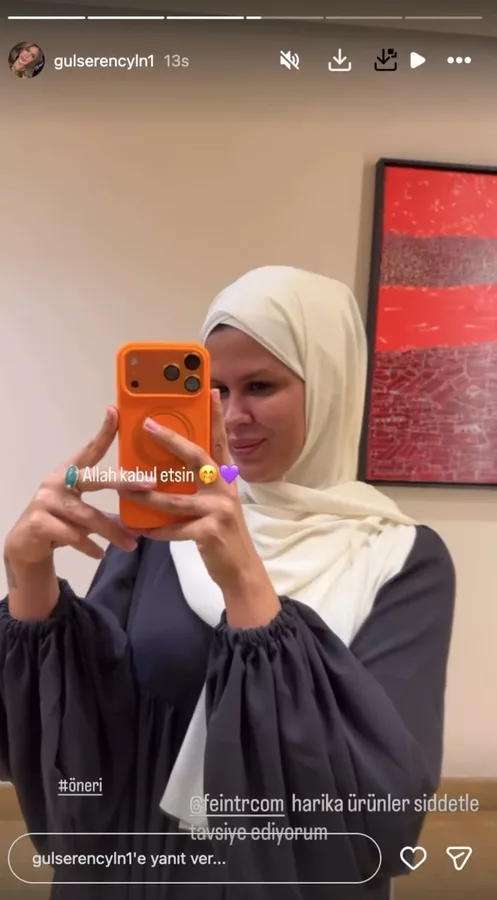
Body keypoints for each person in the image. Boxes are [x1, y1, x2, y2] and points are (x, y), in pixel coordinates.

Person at [0, 266, 455, 899]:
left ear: (331, 385)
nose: (233, 416)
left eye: (261, 386)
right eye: (214, 389)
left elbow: (382, 809)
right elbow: (77, 729)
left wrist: (244, 580)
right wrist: (30, 576)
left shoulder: (398, 557)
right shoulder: (169, 529)